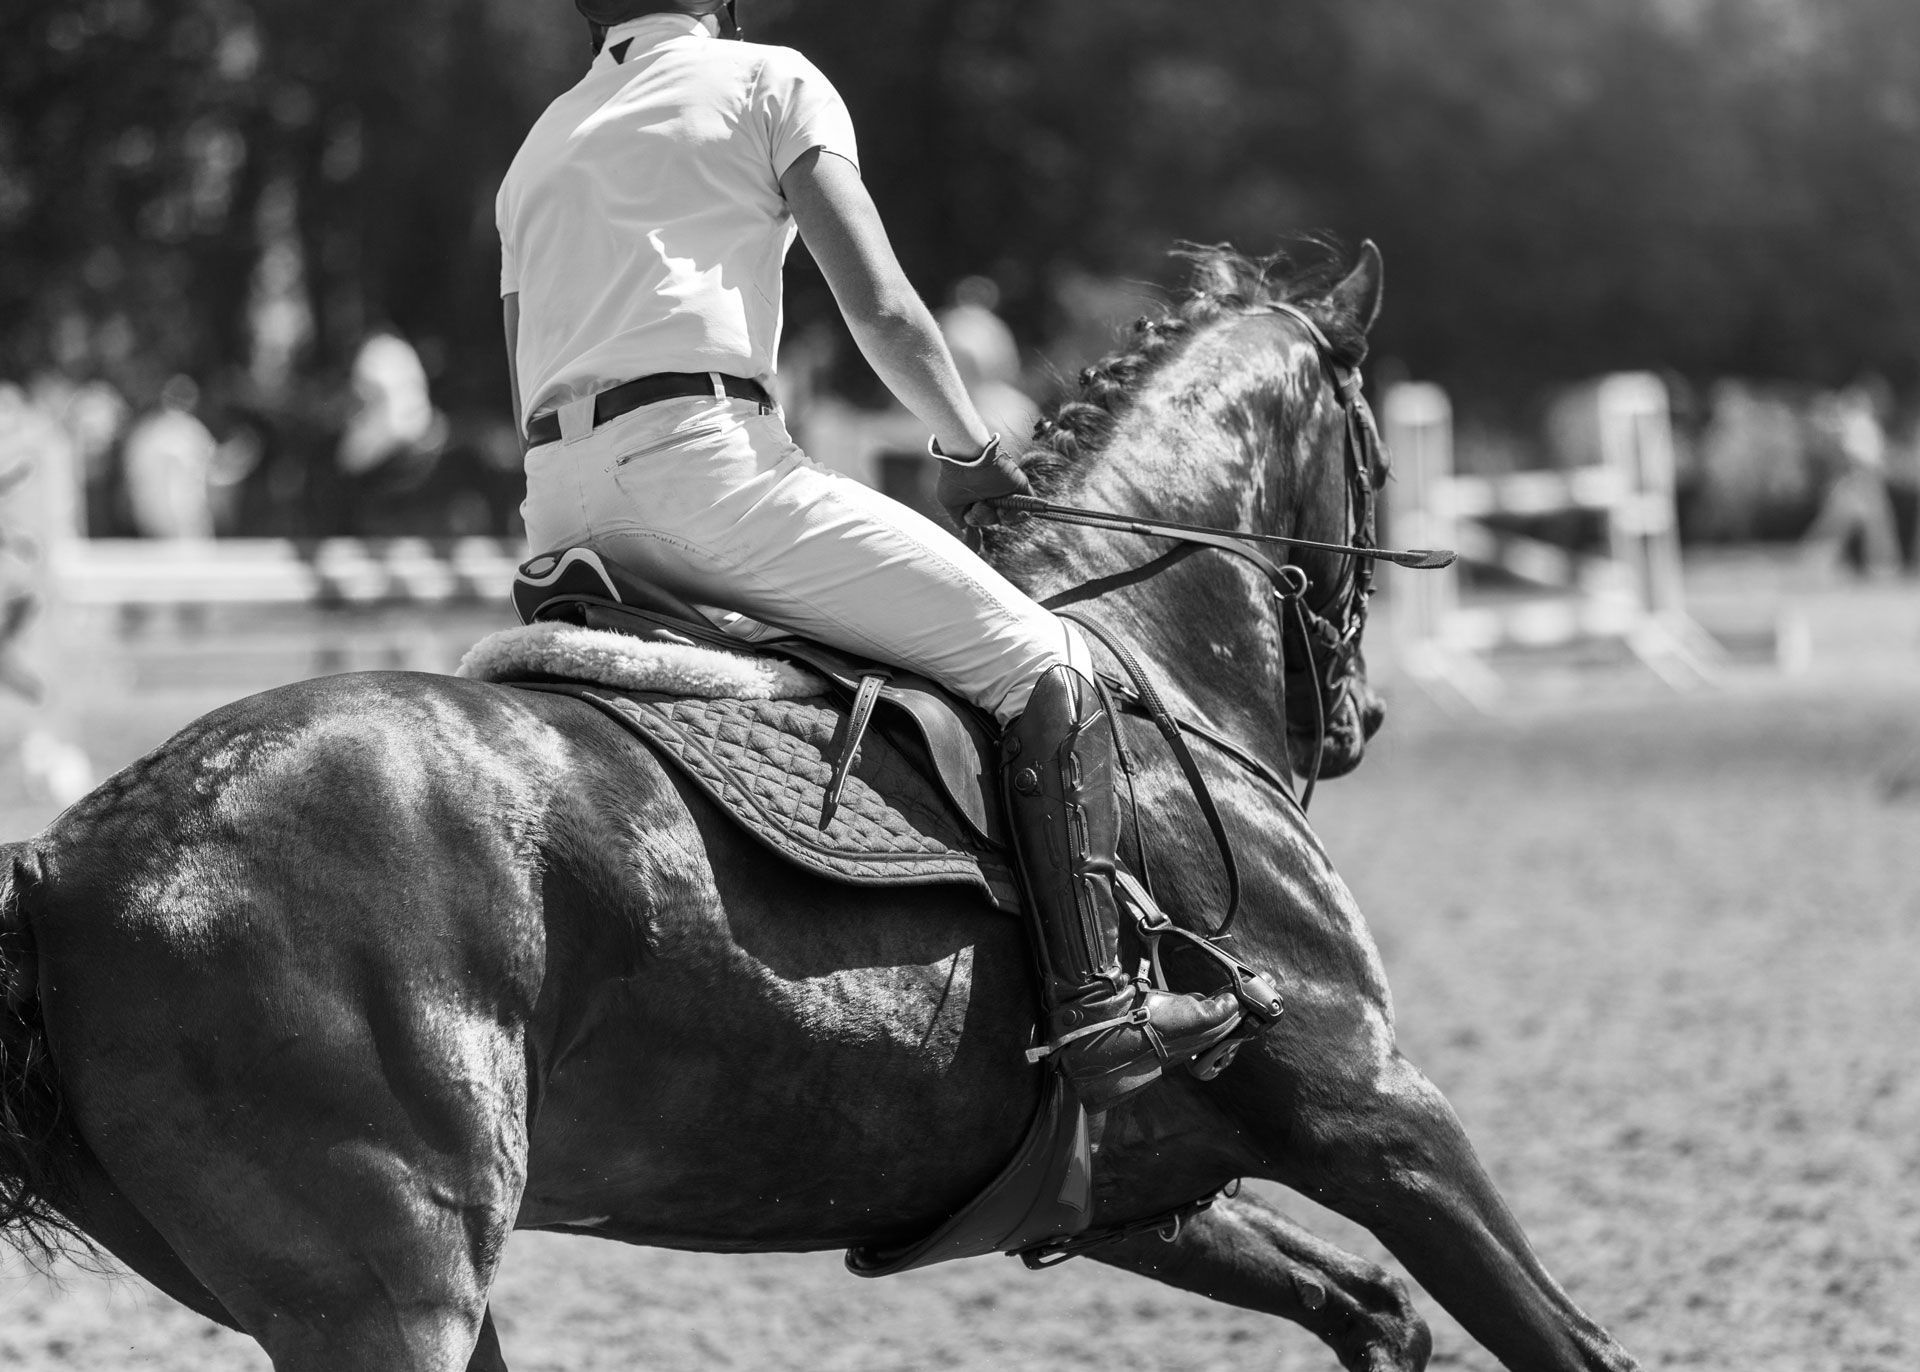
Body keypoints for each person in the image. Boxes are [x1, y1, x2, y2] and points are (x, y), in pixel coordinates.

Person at [496, 0, 1243, 1110]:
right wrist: (971, 446)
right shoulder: (768, 79)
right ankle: (1100, 1004)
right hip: (706, 473)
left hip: (556, 505)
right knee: (1049, 665)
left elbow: (523, 357)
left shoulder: (537, 145)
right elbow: (883, 307)